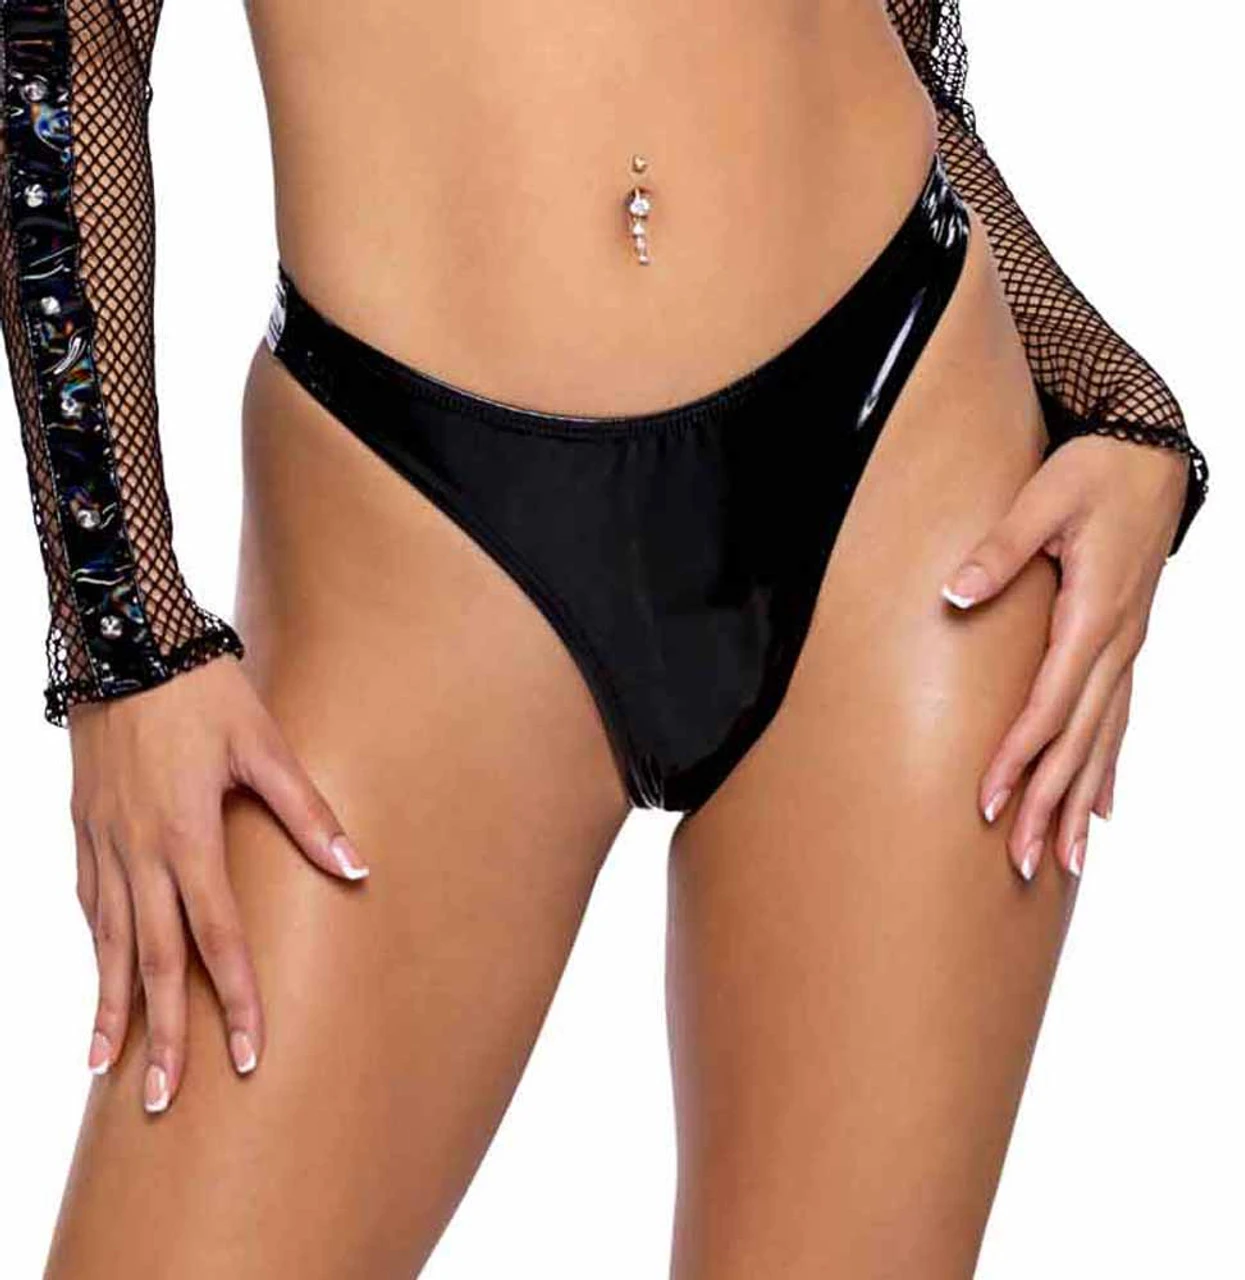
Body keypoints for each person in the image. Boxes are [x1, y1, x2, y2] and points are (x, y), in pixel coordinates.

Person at [0, 0, 1206, 1275]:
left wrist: (1115, 398)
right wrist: (122, 631)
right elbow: (68, 34)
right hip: (418, 521)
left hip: (904, 455)